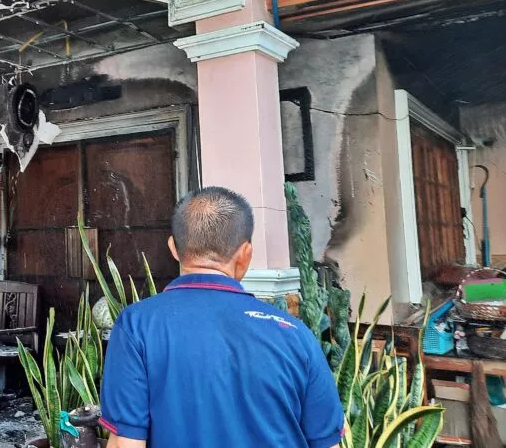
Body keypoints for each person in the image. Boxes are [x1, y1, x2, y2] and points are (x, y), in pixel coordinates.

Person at [100, 187, 344, 448]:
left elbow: (126, 444)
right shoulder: (294, 333)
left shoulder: (137, 325)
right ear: (246, 254)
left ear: (173, 247)